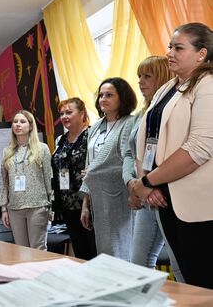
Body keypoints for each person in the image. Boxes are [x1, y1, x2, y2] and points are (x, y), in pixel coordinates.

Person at [133, 23, 213, 288]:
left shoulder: (208, 83)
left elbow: (199, 148)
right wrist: (146, 181)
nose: (170, 53)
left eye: (179, 47)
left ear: (201, 54)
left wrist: (146, 182)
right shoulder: (166, 88)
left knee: (203, 282)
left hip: (199, 202)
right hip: (164, 195)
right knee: (187, 280)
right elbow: (147, 140)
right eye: (170, 46)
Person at [122, 56, 183, 280]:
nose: (140, 81)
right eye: (139, 76)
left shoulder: (172, 110)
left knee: (180, 265)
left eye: (147, 76)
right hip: (146, 193)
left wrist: (148, 186)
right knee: (138, 263)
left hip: (165, 194)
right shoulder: (141, 115)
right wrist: (134, 185)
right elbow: (130, 154)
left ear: (163, 78)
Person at [80, 77, 137, 260]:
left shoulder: (131, 122)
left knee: (121, 250)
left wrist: (94, 173)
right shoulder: (95, 128)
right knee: (105, 253)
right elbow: (90, 167)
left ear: (123, 98)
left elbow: (127, 161)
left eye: (109, 95)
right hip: (98, 198)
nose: (103, 99)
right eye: (101, 95)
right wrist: (85, 205)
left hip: (120, 196)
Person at [0, 110, 52, 250]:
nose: (17, 125)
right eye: (15, 122)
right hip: (14, 208)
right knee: (21, 250)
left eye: (22, 122)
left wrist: (51, 206)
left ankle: (42, 273)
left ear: (31, 126)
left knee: (37, 248)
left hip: (37, 206)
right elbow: (3, 182)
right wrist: (4, 208)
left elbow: (49, 178)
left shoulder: (42, 149)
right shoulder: (7, 151)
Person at [51, 98, 97, 260]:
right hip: (67, 205)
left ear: (82, 113)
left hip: (88, 202)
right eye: (62, 113)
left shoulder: (92, 136)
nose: (64, 116)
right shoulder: (61, 140)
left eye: (69, 112)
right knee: (80, 253)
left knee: (95, 252)